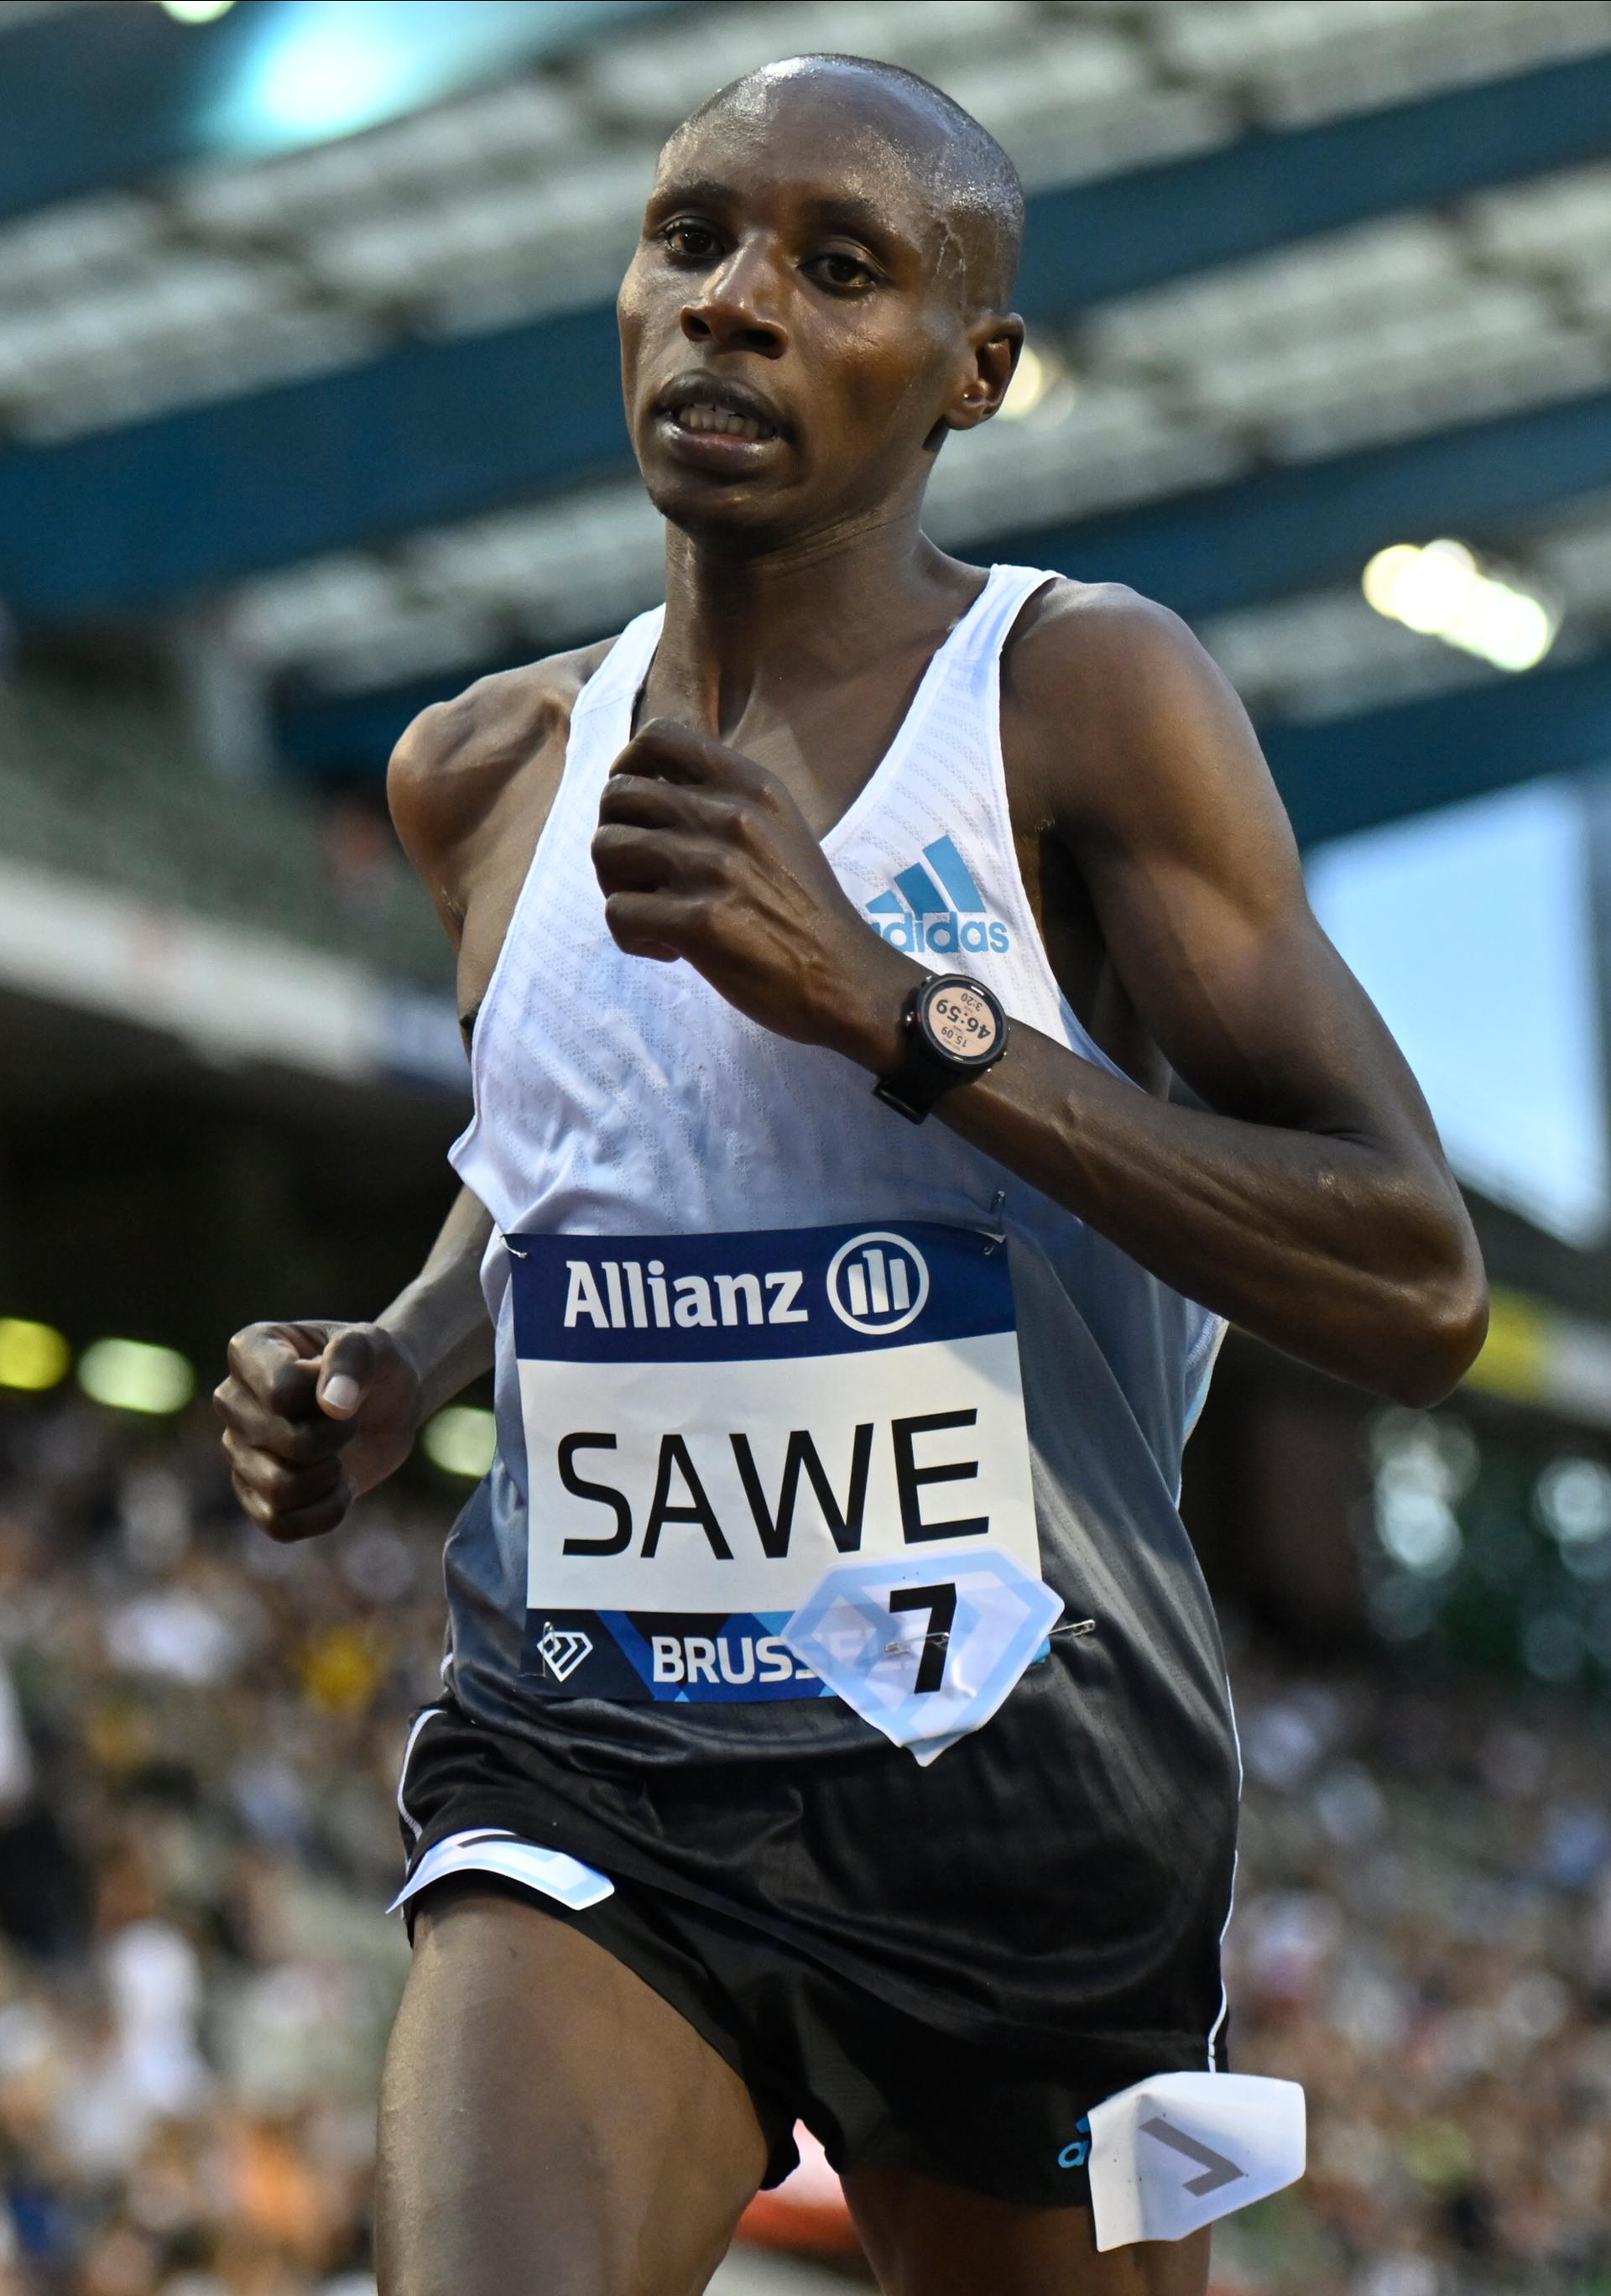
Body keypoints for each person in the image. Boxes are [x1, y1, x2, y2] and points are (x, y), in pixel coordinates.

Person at [213, 53, 1487, 2296]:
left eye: (840, 265)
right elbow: (572, 1158)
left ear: (976, 370)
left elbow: (1414, 1280)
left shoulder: (1083, 697)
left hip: (1040, 1794)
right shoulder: (482, 769)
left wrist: (902, 1011)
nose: (737, 302)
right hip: (594, 1746)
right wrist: (406, 1356)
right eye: (692, 238)